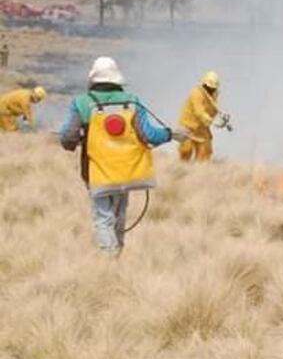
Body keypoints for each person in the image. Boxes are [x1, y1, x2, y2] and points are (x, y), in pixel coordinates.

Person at [59, 57, 187, 255]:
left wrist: (79, 140)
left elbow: (67, 138)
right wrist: (170, 134)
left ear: (93, 79)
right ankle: (118, 255)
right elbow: (149, 135)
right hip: (128, 170)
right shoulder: (132, 101)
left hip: (97, 172)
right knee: (119, 215)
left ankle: (109, 260)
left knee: (103, 218)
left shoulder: (81, 103)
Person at [178, 71, 229, 162]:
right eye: (209, 87)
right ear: (204, 84)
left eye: (213, 88)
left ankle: (199, 170)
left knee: (205, 153)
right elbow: (199, 112)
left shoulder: (214, 95)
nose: (211, 90)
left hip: (202, 128)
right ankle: (183, 168)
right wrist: (212, 121)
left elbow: (212, 110)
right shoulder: (196, 93)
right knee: (186, 150)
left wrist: (221, 119)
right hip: (188, 126)